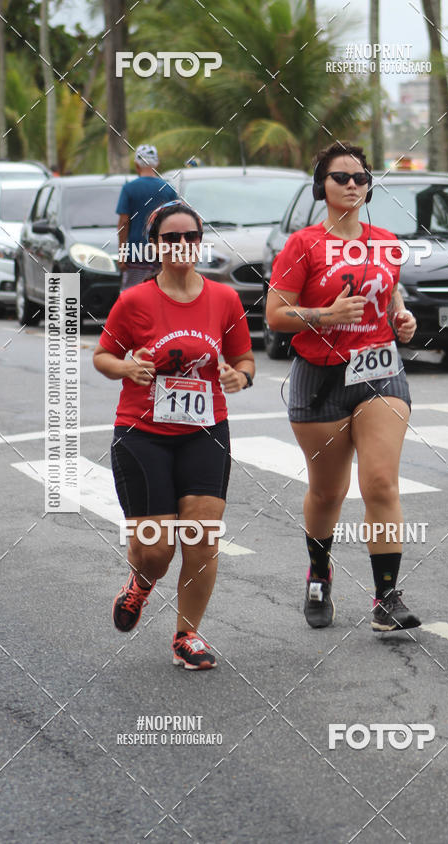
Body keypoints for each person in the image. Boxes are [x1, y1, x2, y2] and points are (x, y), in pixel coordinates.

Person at [266, 141, 421, 633]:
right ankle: (318, 573)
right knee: (328, 493)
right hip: (321, 379)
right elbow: (275, 315)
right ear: (322, 187)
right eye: (340, 177)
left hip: (380, 371)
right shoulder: (302, 245)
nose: (352, 184)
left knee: (380, 483)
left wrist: (402, 315)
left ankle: (386, 597)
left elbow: (390, 287)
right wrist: (323, 315)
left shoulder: (387, 241)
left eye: (360, 177)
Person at [93, 200, 255, 669]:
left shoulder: (224, 299)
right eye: (171, 238)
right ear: (155, 245)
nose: (181, 245)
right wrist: (127, 366)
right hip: (142, 433)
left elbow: (245, 360)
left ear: (200, 243)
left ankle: (188, 635)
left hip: (205, 431)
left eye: (190, 237)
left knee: (202, 538)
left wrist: (237, 377)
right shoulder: (135, 301)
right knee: (157, 550)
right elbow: (103, 356)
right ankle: (141, 583)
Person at [116, 144, 179, 290]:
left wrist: (122, 255)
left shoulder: (129, 189)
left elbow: (124, 222)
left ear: (136, 165)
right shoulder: (168, 189)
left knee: (131, 296)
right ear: (157, 164)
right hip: (161, 255)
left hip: (135, 254)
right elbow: (174, 223)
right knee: (160, 294)